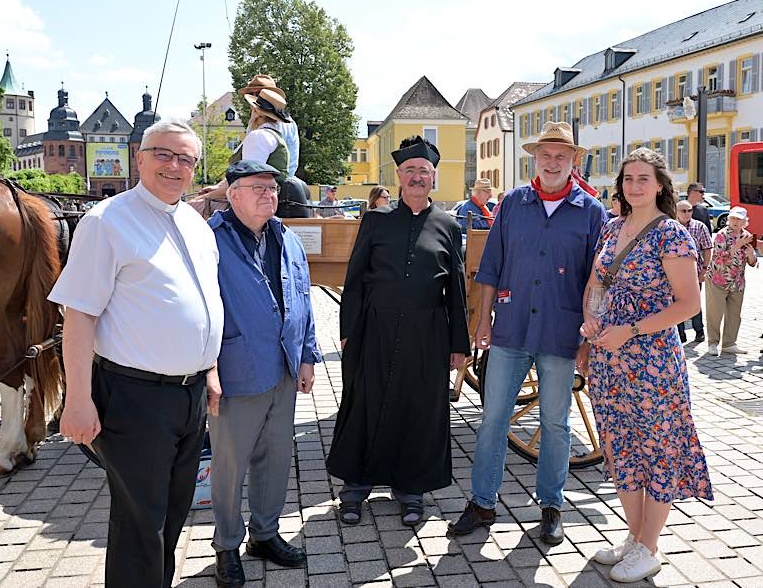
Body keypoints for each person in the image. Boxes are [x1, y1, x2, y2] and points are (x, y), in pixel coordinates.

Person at [49, 120, 223, 588]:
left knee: (171, 514)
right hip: (135, 395)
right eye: (164, 154)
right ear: (140, 159)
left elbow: (203, 302)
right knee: (140, 524)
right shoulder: (107, 221)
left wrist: (208, 368)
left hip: (188, 398)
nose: (175, 166)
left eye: (186, 158)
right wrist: (78, 400)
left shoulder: (194, 222)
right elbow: (79, 315)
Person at [451, 121, 605, 545]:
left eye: (561, 156)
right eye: (545, 155)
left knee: (555, 424)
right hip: (511, 329)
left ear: (574, 160)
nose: (552, 162)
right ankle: (482, 502)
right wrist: (482, 322)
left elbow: (597, 282)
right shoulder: (514, 204)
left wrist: (588, 341)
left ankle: (551, 505)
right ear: (533, 159)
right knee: (492, 420)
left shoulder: (592, 212)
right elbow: (491, 267)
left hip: (561, 333)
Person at [581, 148, 712, 583]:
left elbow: (689, 303)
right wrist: (591, 317)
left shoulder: (671, 234)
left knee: (658, 449)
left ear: (659, 186)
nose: (634, 186)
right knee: (621, 448)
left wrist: (630, 330)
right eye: (628, 179)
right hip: (607, 358)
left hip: (652, 361)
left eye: (643, 179)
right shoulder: (612, 227)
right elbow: (596, 282)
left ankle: (650, 546)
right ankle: (634, 537)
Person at [326, 135, 469, 527]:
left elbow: (455, 287)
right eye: (410, 171)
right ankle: (355, 486)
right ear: (399, 176)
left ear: (433, 178)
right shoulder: (375, 221)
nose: (417, 177)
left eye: (424, 171)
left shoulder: (448, 225)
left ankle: (411, 489)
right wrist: (347, 330)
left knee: (417, 408)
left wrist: (460, 342)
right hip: (375, 327)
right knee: (365, 403)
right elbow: (354, 279)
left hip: (427, 332)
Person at [207, 160, 322, 587]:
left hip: (285, 370)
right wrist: (208, 369)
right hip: (236, 371)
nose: (268, 195)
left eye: (272, 188)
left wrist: (307, 356)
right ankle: (226, 545)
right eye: (257, 187)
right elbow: (202, 311)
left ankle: (265, 534)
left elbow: (303, 298)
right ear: (233, 193)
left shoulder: (286, 237)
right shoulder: (212, 240)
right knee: (230, 465)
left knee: (275, 459)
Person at [190, 88, 292, 216]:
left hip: (254, 203)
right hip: (263, 198)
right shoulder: (275, 137)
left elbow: (246, 181)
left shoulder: (259, 137)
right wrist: (217, 188)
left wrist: (203, 198)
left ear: (256, 112)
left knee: (187, 210)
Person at [704, 206, 758, 356]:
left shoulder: (747, 236)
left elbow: (753, 263)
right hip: (717, 279)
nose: (735, 221)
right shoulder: (722, 235)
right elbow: (719, 258)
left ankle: (729, 343)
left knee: (735, 314)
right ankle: (713, 343)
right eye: (733, 218)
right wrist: (738, 245)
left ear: (744, 222)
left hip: (737, 282)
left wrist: (751, 254)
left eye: (739, 219)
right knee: (715, 313)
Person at [238, 74, 300, 177]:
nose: (254, 96)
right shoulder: (256, 123)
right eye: (250, 93)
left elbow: (252, 171)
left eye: (259, 93)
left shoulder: (279, 126)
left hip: (269, 184)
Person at [675, 200, 712, 343]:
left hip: (695, 272)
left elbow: (708, 248)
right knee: (676, 303)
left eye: (689, 210)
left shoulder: (699, 226)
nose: (687, 213)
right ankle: (680, 334)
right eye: (683, 211)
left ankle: (699, 331)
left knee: (694, 302)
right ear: (676, 211)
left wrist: (704, 269)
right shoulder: (671, 226)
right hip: (675, 273)